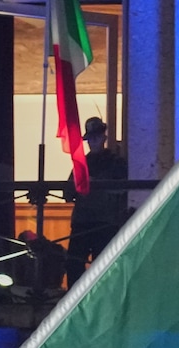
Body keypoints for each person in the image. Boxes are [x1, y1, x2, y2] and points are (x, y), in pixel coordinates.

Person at [65, 117, 128, 285]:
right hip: (84, 221)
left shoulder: (116, 162)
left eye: (96, 137)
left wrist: (96, 183)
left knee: (102, 266)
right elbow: (68, 192)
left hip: (104, 222)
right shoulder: (81, 163)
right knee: (74, 264)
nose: (93, 141)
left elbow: (122, 189)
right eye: (90, 138)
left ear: (104, 138)